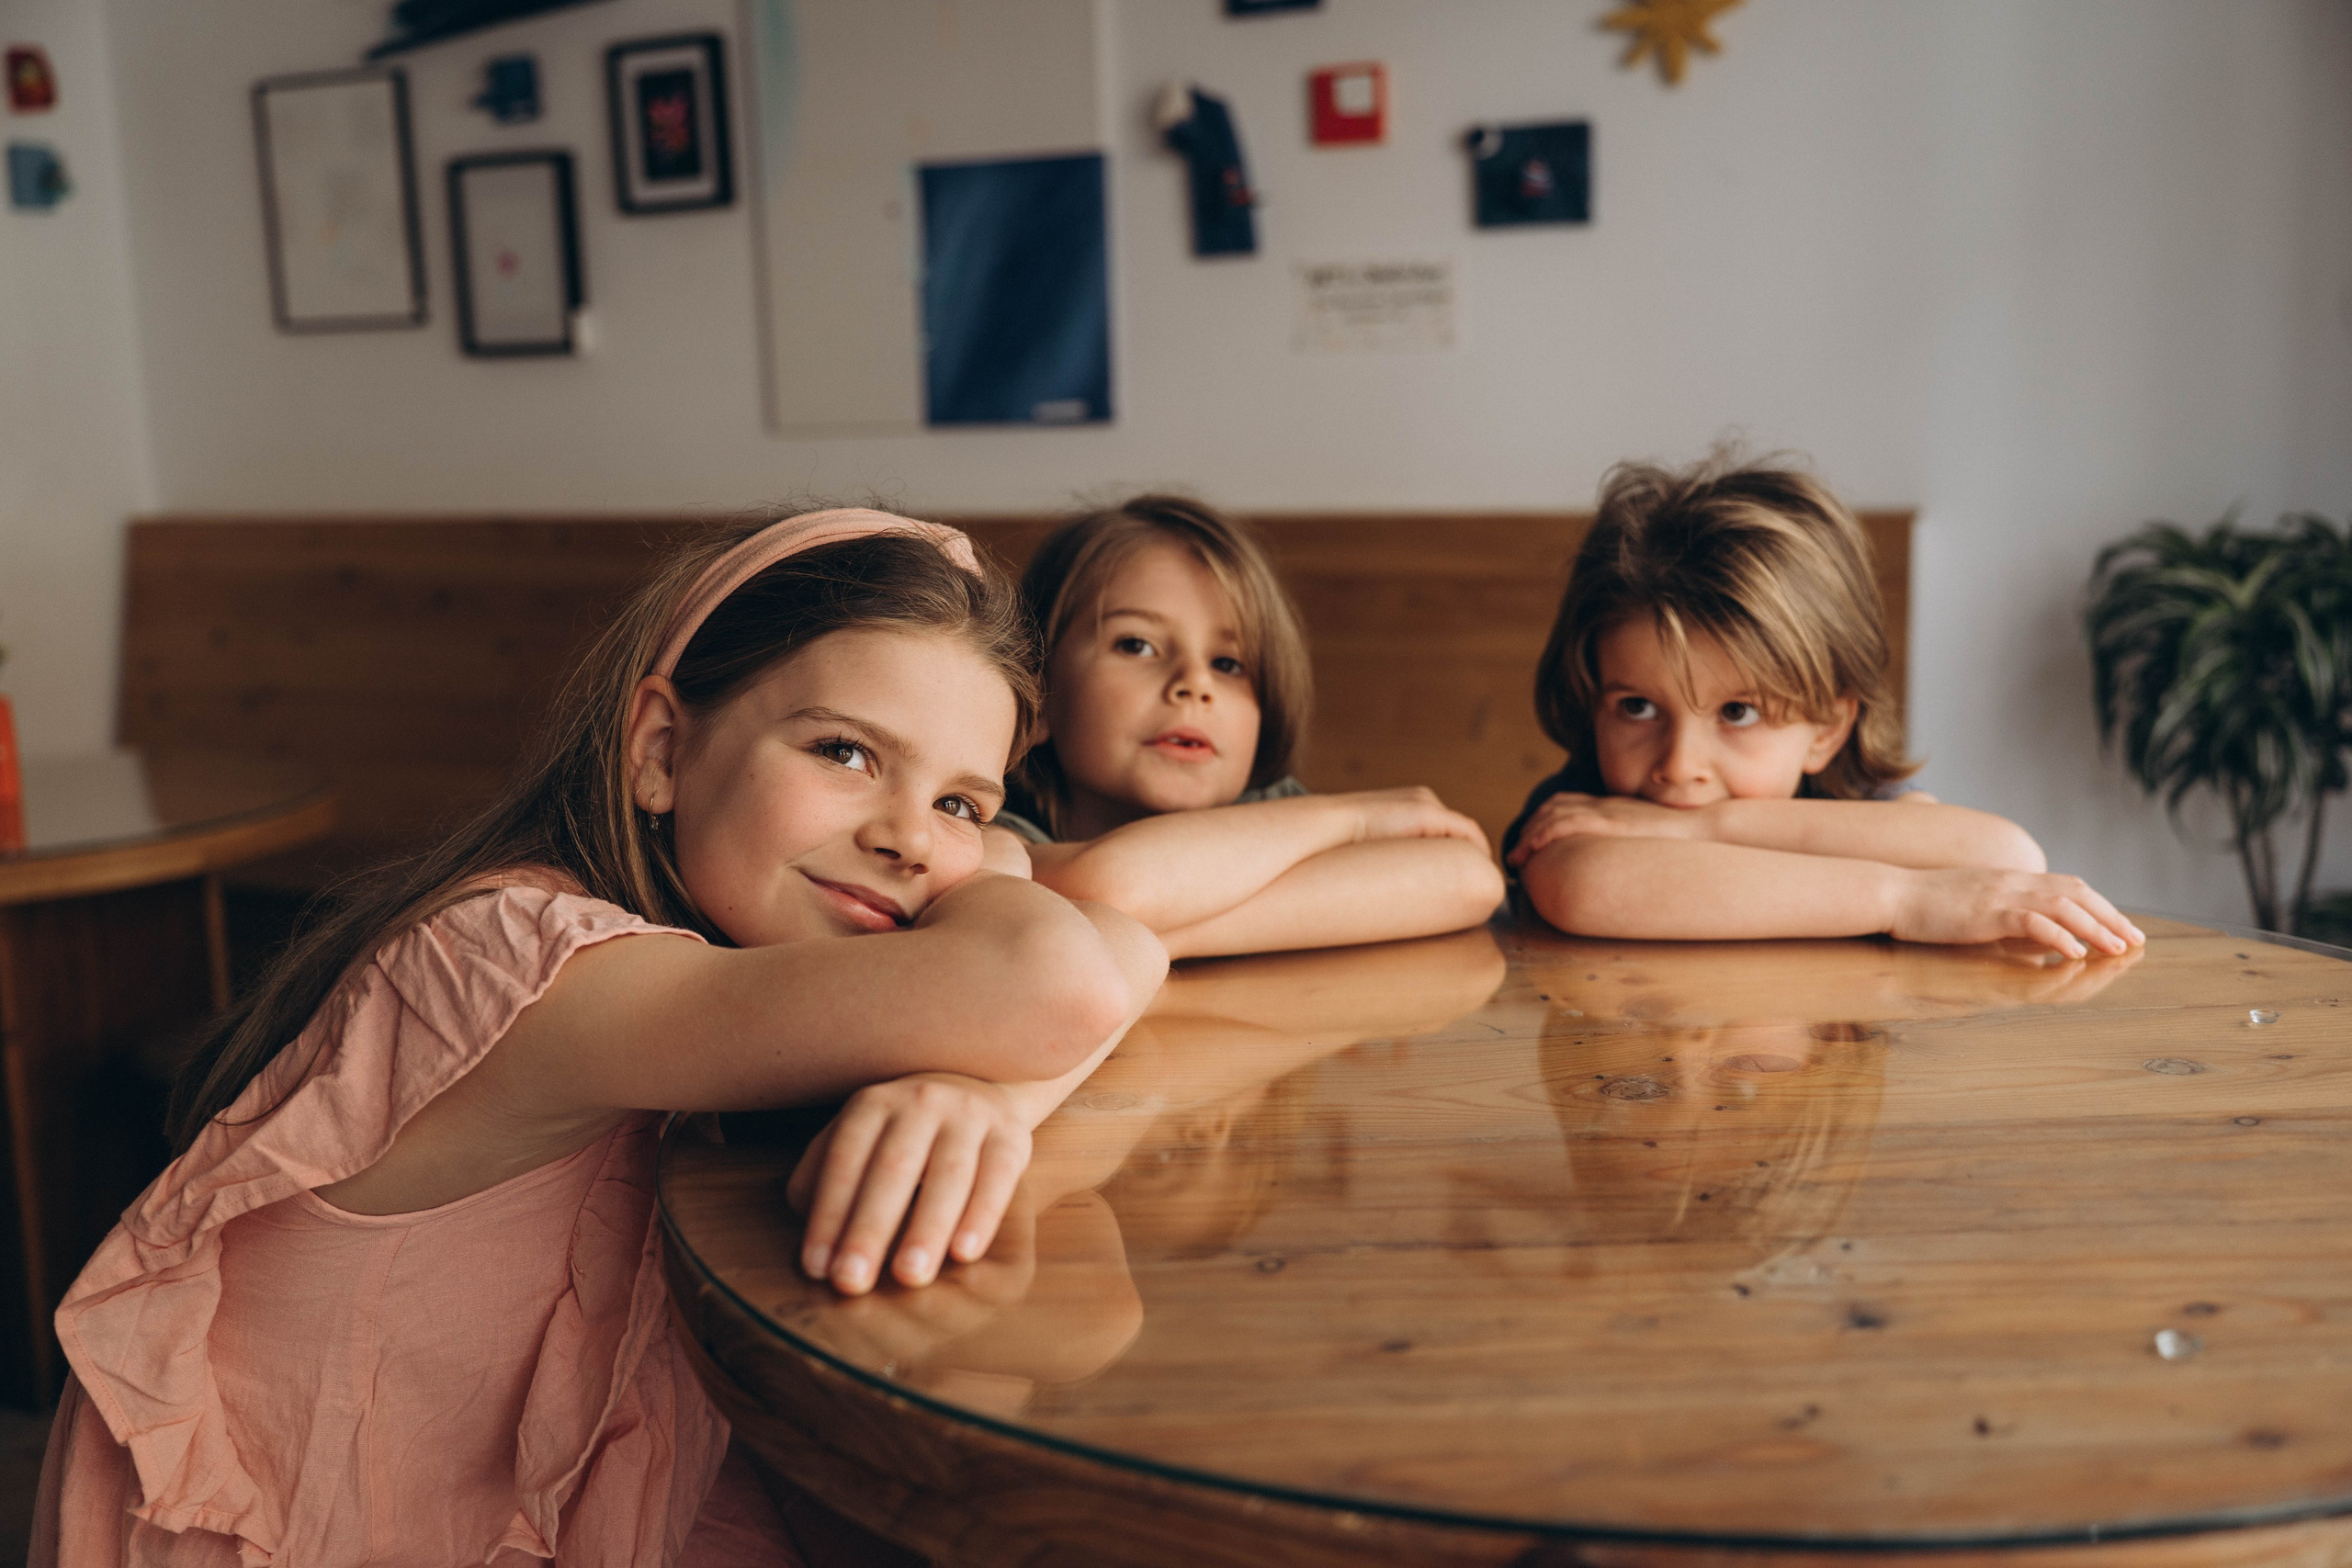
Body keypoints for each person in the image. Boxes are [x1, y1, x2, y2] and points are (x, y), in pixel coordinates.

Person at [32, 510, 1166, 1567]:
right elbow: (1059, 975)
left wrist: (984, 1102)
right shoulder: (530, 962)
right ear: (661, 750)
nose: (911, 842)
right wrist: (1005, 864)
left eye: (963, 805)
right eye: (845, 753)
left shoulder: (722, 962)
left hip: (558, 1492)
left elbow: (1124, 949)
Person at [1505, 456, 2143, 960]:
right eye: (1637, 706)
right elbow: (1588, 885)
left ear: (1828, 729)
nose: (1679, 764)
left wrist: (1696, 828)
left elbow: (2008, 857)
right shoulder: (1585, 804)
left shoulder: (1847, 798)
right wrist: (1906, 900)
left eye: (1737, 713)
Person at [998, 494, 1504, 959]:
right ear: (1036, 700)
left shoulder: (1270, 810)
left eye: (1228, 664)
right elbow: (1106, 886)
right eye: (1137, 645)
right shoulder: (987, 835)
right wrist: (1351, 818)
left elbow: (1468, 879)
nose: (1195, 684)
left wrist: (1169, 932)